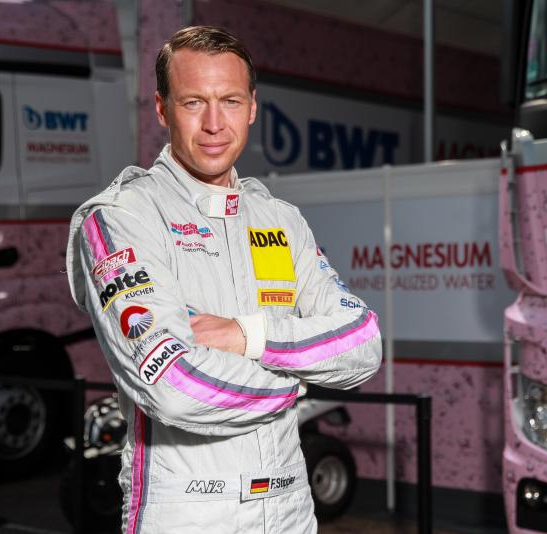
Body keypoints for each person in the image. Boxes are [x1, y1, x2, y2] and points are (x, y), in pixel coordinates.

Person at [66, 25, 381, 534]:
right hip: (188, 512)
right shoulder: (122, 217)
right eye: (194, 102)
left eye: (230, 101)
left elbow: (363, 343)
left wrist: (247, 336)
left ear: (252, 107)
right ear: (162, 109)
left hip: (290, 506)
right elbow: (173, 386)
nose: (214, 124)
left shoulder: (279, 220)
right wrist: (300, 380)